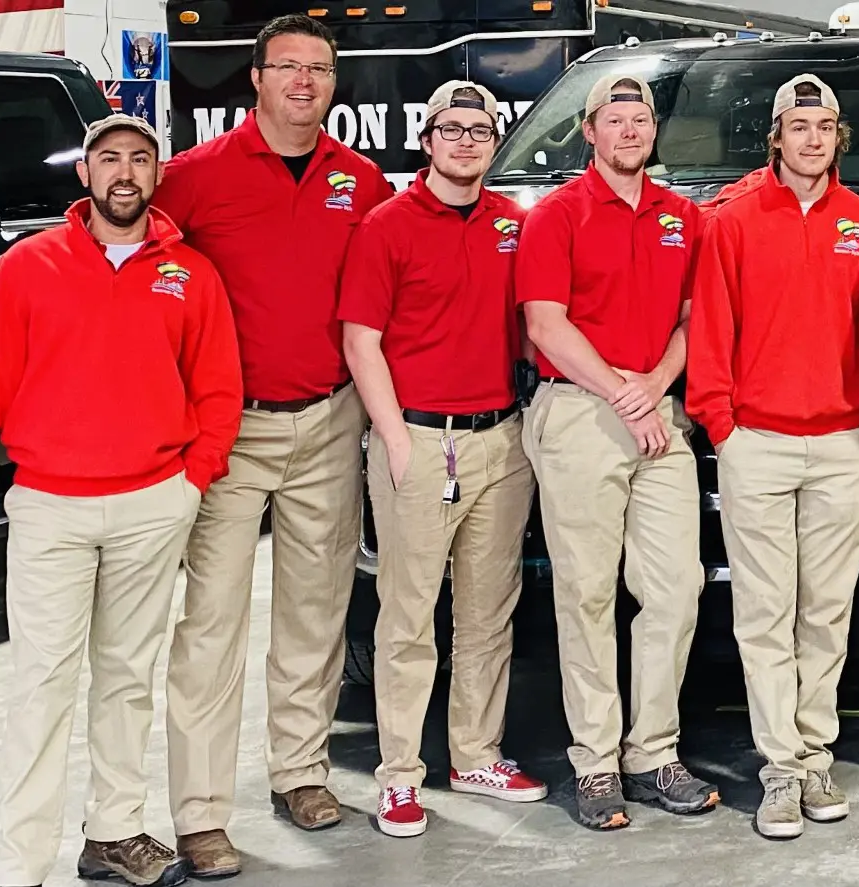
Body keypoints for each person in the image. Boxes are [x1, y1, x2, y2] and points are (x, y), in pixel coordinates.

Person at [0, 115, 241, 887]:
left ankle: (115, 832)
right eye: (109, 158)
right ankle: (18, 864)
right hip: (52, 504)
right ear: (84, 175)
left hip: (154, 501)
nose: (125, 171)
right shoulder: (29, 265)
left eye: (140, 159)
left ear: (158, 174)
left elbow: (219, 387)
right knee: (42, 681)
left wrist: (193, 478)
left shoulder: (191, 273)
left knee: (125, 676)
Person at [154, 14, 391, 871]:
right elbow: (145, 280)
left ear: (334, 83)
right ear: (253, 79)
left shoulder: (360, 181)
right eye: (287, 67)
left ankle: (300, 770)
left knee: (315, 613)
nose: (304, 82)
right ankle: (201, 811)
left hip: (329, 421)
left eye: (319, 70)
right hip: (229, 430)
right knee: (211, 624)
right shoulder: (191, 179)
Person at [685, 74, 859, 839]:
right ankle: (779, 769)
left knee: (826, 612)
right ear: (775, 137)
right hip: (757, 445)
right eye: (797, 125)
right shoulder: (734, 223)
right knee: (765, 614)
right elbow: (710, 331)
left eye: (825, 125)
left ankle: (815, 757)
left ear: (840, 136)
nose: (812, 138)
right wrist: (723, 426)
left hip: (842, 444)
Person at [337, 81, 544, 839]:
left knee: (488, 613)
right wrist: (393, 438)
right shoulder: (386, 225)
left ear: (496, 141)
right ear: (425, 141)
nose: (464, 141)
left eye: (479, 130)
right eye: (449, 129)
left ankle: (475, 753)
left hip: (500, 440)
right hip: (420, 442)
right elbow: (361, 340)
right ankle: (398, 776)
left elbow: (530, 327)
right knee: (408, 617)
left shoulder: (512, 225)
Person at [517, 74, 718, 831]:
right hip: (579, 412)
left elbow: (695, 315)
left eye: (642, 119)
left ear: (653, 132)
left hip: (656, 413)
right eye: (615, 119)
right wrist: (619, 392)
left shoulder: (681, 216)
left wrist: (657, 384)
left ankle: (652, 750)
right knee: (588, 593)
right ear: (590, 131)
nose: (630, 131)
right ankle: (596, 762)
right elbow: (546, 323)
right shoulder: (558, 215)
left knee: (676, 588)